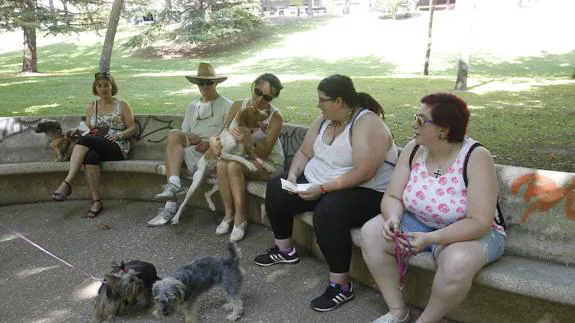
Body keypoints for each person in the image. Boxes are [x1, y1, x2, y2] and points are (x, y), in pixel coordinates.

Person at [253, 74, 399, 312]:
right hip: (320, 182)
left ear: (339, 101)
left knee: (329, 211)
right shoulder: (324, 120)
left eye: (322, 99)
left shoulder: (366, 123)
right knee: (277, 187)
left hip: (365, 190)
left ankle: (341, 286)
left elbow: (364, 172)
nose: (318, 104)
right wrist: (292, 176)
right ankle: (284, 250)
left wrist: (322, 189)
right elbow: (303, 152)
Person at [361, 93, 506, 323]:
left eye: (420, 120)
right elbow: (392, 195)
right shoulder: (414, 149)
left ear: (444, 129)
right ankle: (398, 312)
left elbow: (479, 221)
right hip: (419, 222)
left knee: (457, 262)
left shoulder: (476, 157)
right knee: (372, 232)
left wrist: (431, 239)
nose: (413, 125)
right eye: (415, 118)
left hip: (468, 232)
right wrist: (393, 218)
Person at [147, 62, 232, 226]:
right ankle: (173, 187)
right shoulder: (193, 105)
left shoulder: (227, 106)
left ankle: (170, 204)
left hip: (212, 154)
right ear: (196, 84)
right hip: (191, 149)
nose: (205, 86)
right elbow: (183, 132)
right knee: (172, 134)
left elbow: (230, 135)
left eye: (209, 82)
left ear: (216, 83)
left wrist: (210, 142)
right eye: (201, 82)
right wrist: (192, 138)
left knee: (172, 149)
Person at [211, 73, 285, 242]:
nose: (259, 100)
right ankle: (228, 215)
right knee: (222, 164)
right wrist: (213, 140)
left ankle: (240, 218)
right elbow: (223, 130)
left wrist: (248, 141)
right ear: (254, 87)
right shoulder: (239, 106)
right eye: (258, 92)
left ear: (273, 98)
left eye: (267, 97)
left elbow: (265, 153)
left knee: (232, 166)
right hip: (243, 157)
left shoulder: (275, 117)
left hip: (269, 163)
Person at [51, 72, 136, 218]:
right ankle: (96, 202)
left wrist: (119, 134)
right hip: (97, 142)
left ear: (112, 87)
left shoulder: (122, 105)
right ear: (95, 88)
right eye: (99, 86)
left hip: (117, 145)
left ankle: (67, 182)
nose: (103, 89)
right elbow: (89, 129)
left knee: (85, 140)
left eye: (106, 85)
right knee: (89, 156)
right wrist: (76, 130)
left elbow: (133, 128)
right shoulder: (92, 106)